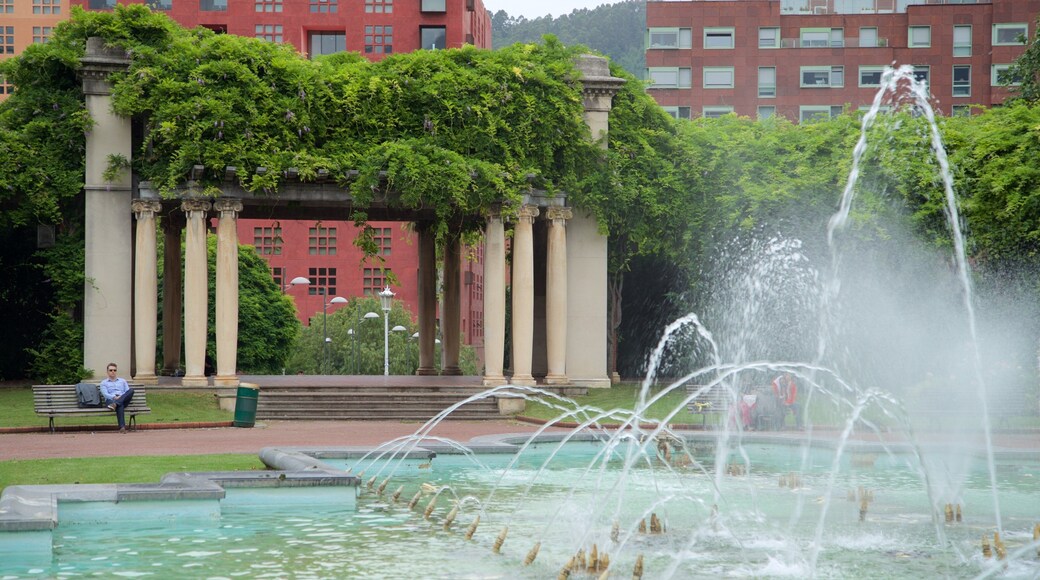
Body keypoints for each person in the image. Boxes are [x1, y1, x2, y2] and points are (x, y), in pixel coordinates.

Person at [99, 363, 135, 433]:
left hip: (122, 399)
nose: (113, 372)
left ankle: (116, 404)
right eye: (111, 370)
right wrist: (114, 397)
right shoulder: (104, 383)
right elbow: (105, 394)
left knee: (131, 390)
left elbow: (127, 392)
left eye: (115, 370)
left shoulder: (123, 381)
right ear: (107, 372)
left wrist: (120, 397)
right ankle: (122, 427)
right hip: (110, 401)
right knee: (120, 404)